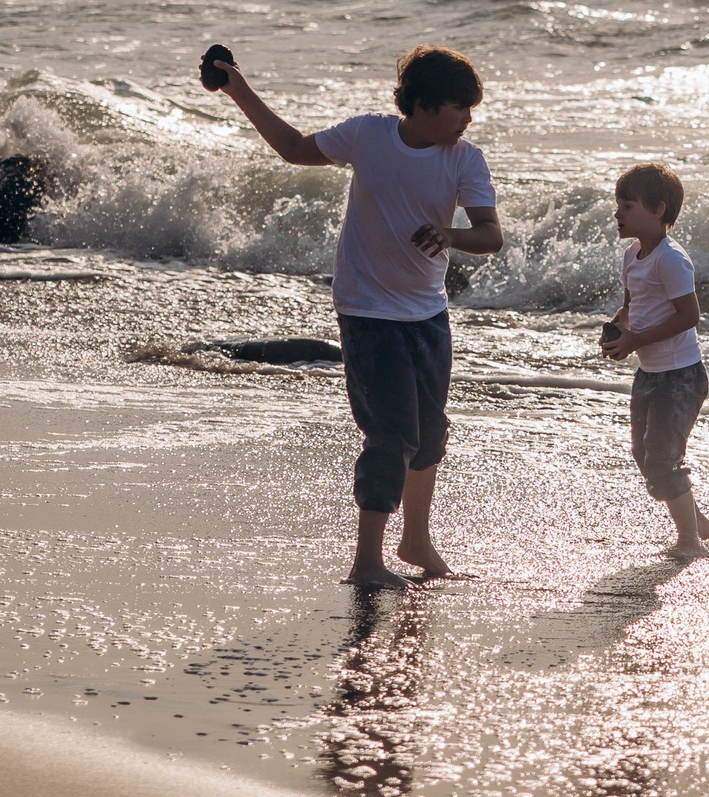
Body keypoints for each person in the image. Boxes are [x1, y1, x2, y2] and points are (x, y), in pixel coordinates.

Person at [206, 45, 502, 589]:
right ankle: (367, 561)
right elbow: (295, 148)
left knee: (430, 432)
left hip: (428, 314)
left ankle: (415, 541)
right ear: (423, 104)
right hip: (367, 310)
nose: (467, 119)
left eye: (470, 110)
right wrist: (238, 90)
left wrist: (452, 235)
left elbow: (490, 235)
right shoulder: (368, 136)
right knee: (391, 434)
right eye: (459, 107)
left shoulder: (464, 159)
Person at [601, 163, 709, 558]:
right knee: (643, 454)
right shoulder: (633, 255)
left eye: (627, 206)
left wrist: (636, 340)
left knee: (663, 458)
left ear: (658, 209)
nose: (618, 213)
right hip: (649, 373)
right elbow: (633, 304)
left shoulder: (671, 259)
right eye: (618, 205)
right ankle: (696, 521)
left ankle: (690, 541)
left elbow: (689, 316)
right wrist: (619, 329)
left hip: (681, 376)